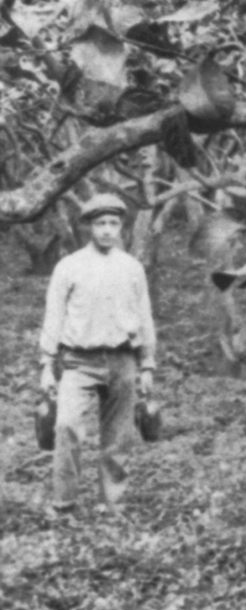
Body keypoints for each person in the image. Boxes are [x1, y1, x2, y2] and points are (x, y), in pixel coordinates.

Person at [38, 193, 156, 513]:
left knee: (118, 437)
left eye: (113, 223)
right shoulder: (69, 267)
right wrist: (47, 365)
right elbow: (54, 316)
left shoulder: (131, 268)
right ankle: (65, 503)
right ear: (90, 226)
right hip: (79, 361)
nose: (106, 230)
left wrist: (147, 365)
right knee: (67, 427)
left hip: (122, 360)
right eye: (100, 223)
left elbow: (144, 317)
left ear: (121, 227)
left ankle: (113, 503)